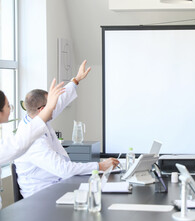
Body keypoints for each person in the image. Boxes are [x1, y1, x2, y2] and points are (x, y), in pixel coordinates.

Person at [14, 60, 119, 198]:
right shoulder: (32, 139)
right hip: (41, 195)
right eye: (52, 103)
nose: (55, 106)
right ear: (42, 109)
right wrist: (100, 166)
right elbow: (63, 169)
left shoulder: (36, 118)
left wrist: (76, 80)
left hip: (55, 184)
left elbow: (60, 102)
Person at [0, 79, 65, 209]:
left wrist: (75, 81)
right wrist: (49, 107)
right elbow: (20, 143)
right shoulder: (23, 133)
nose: (10, 109)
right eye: (8, 106)